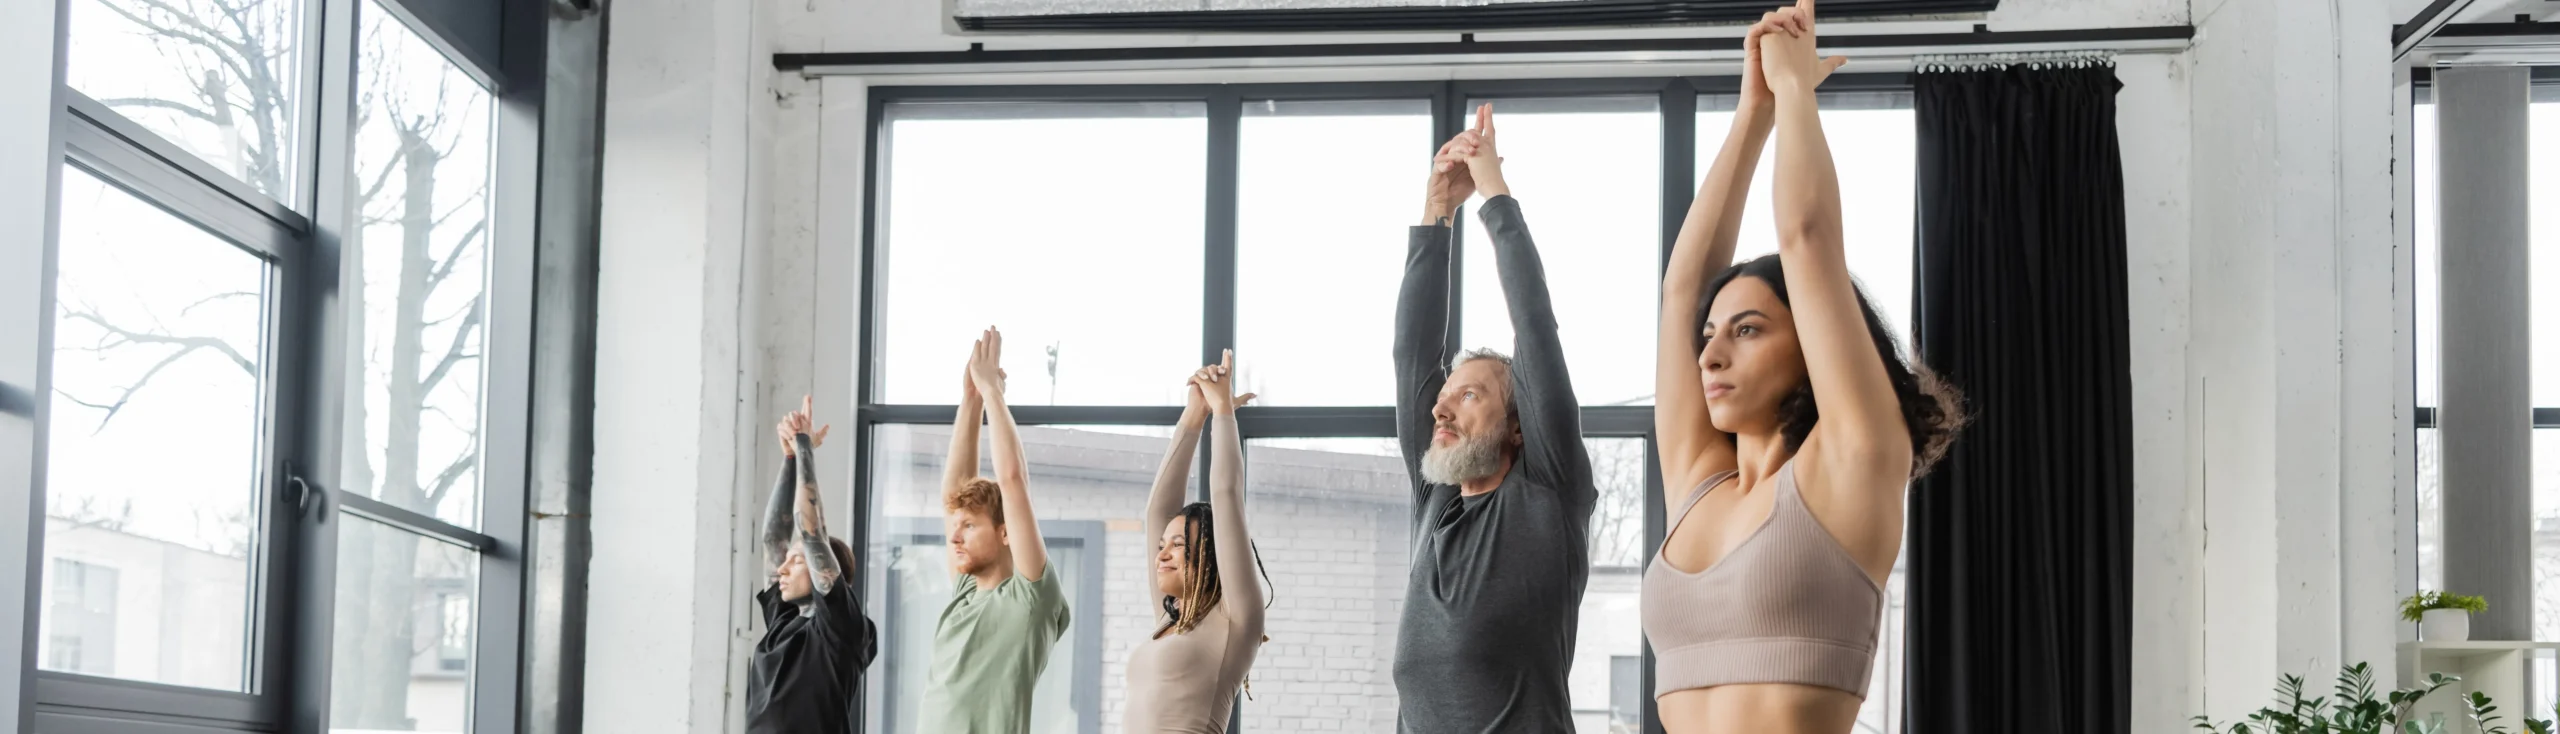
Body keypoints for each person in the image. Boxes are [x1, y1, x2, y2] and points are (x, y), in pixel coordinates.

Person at [1644, 3, 1965, 733]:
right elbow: (1680, 295)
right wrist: (1751, 111)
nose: (1711, 353)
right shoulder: (1698, 486)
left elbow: (1808, 239)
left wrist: (1795, 92)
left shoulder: (1852, 461)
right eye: (1712, 337)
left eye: (1749, 330)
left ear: (1813, 348)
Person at [1392, 103, 1598, 733]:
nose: (1441, 405)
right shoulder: (1436, 500)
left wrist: (1494, 195)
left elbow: (1535, 328)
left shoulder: (1546, 493)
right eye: (1445, 395)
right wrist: (1436, 217)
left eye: (1471, 395)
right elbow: (1411, 354)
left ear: (1518, 426)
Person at [920, 327, 1073, 734]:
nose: (955, 537)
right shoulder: (966, 593)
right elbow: (954, 492)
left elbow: (1012, 479)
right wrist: (969, 400)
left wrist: (993, 394)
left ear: (1006, 533)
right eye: (957, 527)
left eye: (970, 526)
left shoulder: (1032, 598)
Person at [1123, 349, 1271, 733]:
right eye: (1162, 546)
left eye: (1179, 546)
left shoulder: (1234, 620)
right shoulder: (1168, 618)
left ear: (1210, 557)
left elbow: (1225, 494)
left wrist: (1223, 413)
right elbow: (1157, 510)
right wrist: (1193, 416)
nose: (1163, 553)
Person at [745, 396, 879, 734]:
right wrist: (789, 457)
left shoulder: (842, 630)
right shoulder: (784, 623)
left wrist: (805, 445)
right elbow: (773, 537)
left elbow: (813, 534)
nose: (782, 570)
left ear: (825, 573)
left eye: (797, 561)